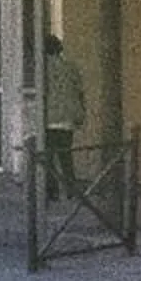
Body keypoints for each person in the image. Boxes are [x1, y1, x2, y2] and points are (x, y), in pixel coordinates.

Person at [43, 34, 85, 199]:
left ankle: (51, 192)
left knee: (48, 158)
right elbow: (79, 92)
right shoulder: (70, 67)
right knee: (66, 156)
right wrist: (80, 113)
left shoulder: (43, 69)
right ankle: (71, 190)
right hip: (68, 117)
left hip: (49, 117)